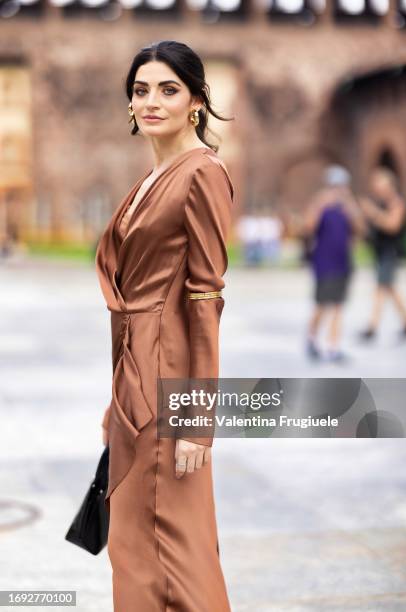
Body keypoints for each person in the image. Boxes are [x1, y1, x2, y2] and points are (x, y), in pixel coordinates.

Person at [95, 41, 234, 611]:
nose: (151, 101)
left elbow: (205, 300)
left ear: (196, 101)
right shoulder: (151, 178)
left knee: (173, 546)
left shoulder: (201, 173)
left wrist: (198, 421)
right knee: (132, 545)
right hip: (135, 378)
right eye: (141, 89)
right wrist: (115, 399)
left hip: (169, 383)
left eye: (168, 89)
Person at [303, 165, 365, 362]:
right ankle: (311, 340)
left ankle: (333, 347)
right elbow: (308, 227)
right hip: (324, 261)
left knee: (338, 305)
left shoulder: (348, 207)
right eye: (335, 186)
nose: (338, 189)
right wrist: (320, 204)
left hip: (343, 262)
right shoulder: (321, 203)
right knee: (322, 305)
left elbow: (360, 230)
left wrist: (351, 207)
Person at [358, 167, 406, 340]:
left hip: (390, 252)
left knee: (382, 288)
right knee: (389, 288)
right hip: (380, 251)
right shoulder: (381, 202)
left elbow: (393, 225)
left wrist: (373, 213)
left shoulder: (397, 203)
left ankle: (372, 327)